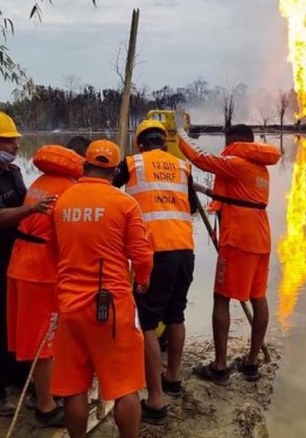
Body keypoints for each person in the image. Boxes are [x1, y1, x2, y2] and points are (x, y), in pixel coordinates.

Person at [52, 140, 153, 438]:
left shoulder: (64, 201)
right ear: (115, 171)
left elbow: (58, 250)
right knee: (125, 386)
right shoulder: (125, 203)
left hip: (69, 306)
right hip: (111, 307)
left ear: (85, 165)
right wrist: (143, 279)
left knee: (74, 387)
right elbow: (142, 254)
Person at [0, 110, 56, 416]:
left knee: (21, 321)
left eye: (15, 141)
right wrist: (32, 211)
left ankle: (20, 377)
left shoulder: (14, 173)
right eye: (9, 141)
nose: (16, 146)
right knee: (0, 324)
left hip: (19, 257)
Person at [177, 123, 280, 383]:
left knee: (221, 297)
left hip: (238, 240)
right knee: (259, 297)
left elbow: (200, 158)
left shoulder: (236, 163)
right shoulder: (261, 169)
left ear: (237, 141)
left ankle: (220, 366)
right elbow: (237, 194)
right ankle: (251, 362)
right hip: (261, 237)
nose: (225, 148)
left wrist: (179, 135)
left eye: (227, 142)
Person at [113, 120, 197, 425]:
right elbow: (192, 210)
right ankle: (172, 376)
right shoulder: (182, 167)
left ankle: (156, 400)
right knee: (176, 314)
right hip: (184, 250)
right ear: (164, 141)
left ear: (139, 143)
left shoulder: (131, 163)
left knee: (147, 322)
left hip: (152, 252)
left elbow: (106, 193)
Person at [6, 143, 86, 427]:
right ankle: (46, 407)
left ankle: (41, 392)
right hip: (41, 272)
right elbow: (72, 238)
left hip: (21, 263)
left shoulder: (41, 181)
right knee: (45, 342)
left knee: (32, 336)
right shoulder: (70, 190)